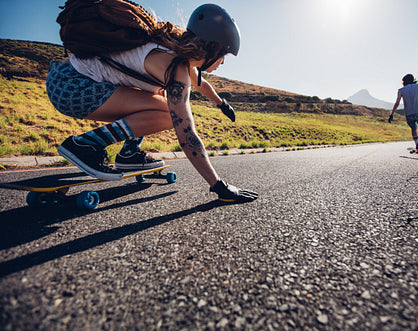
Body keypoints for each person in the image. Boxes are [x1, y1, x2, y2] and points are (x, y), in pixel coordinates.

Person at [45, 4, 258, 203]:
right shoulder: (173, 66)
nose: (223, 62)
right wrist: (219, 186)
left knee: (158, 100)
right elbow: (186, 133)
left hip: (65, 80)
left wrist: (222, 104)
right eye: (224, 55)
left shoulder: (176, 52)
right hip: (71, 87)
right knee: (168, 113)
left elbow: (202, 85)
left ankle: (128, 154)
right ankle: (85, 144)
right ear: (214, 48)